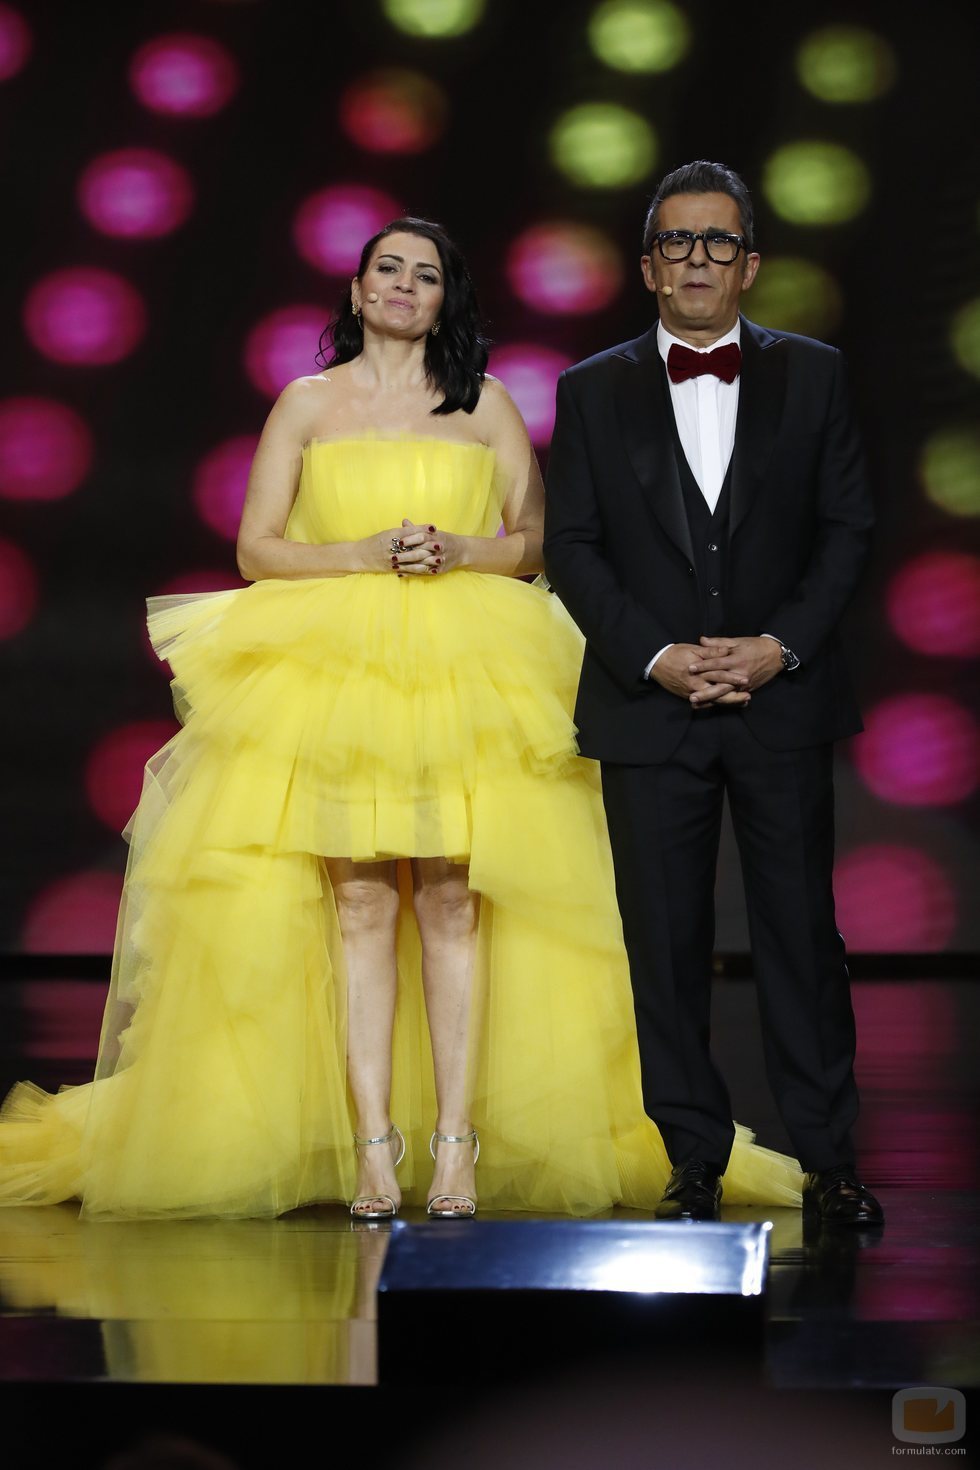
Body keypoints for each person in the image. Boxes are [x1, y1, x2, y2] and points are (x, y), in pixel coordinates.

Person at [0, 216, 801, 1222]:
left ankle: (454, 1146)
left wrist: (458, 553)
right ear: (356, 289)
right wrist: (366, 552)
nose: (402, 286)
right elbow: (255, 547)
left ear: (443, 300)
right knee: (360, 904)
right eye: (387, 269)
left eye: (424, 276)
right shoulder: (305, 403)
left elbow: (534, 541)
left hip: (466, 672)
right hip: (332, 674)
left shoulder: (485, 405)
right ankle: (373, 1147)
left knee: (456, 903)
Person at [543, 161, 884, 1226]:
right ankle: (689, 1156)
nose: (698, 260)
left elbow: (847, 530)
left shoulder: (813, 375)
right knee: (663, 942)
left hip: (781, 702)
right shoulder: (589, 387)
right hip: (649, 707)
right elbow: (574, 545)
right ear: (647, 267)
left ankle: (827, 1159)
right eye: (678, 243)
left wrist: (777, 645)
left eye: (718, 242)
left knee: (798, 936)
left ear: (750, 263)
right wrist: (658, 656)